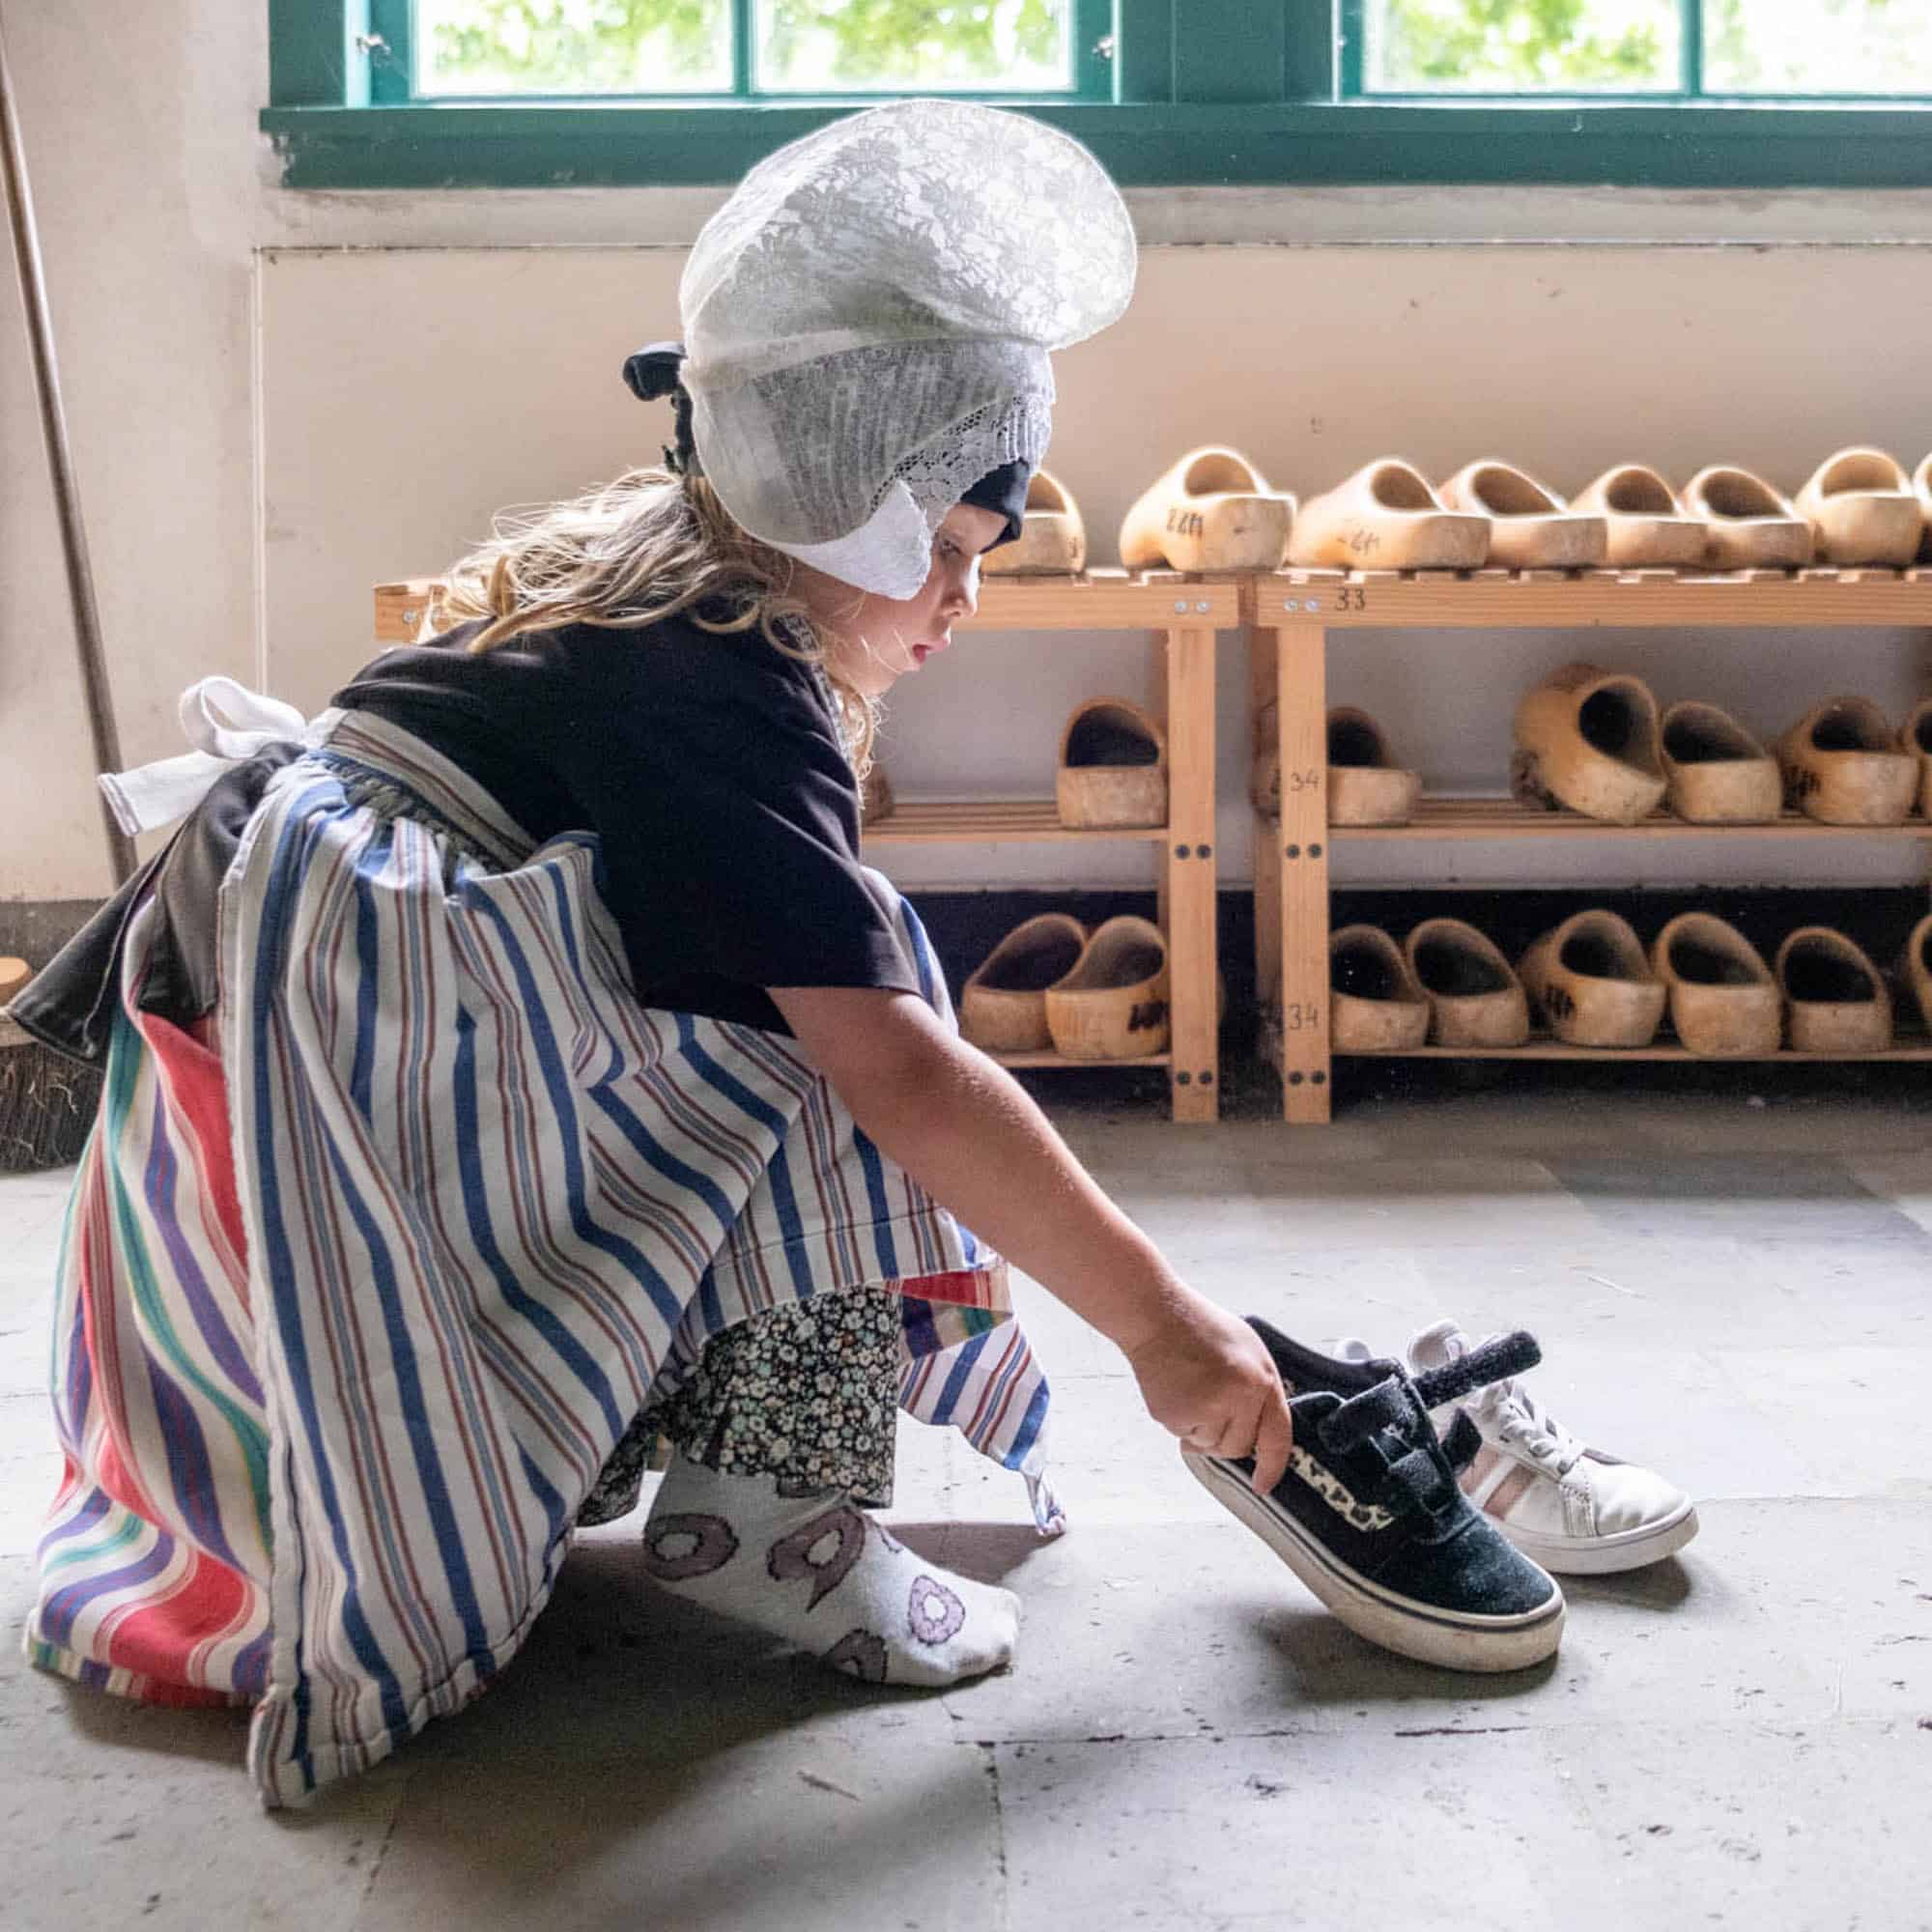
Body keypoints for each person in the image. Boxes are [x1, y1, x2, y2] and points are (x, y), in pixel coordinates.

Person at [14, 99, 1291, 1809]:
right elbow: (903, 1080)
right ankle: (778, 1515)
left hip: (277, 986)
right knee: (849, 1026)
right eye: (948, 547)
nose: (966, 599)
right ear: (834, 500)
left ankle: (641, 1445)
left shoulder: (660, 563)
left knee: (814, 977)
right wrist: (1165, 1327)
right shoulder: (729, 682)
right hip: (349, 1027)